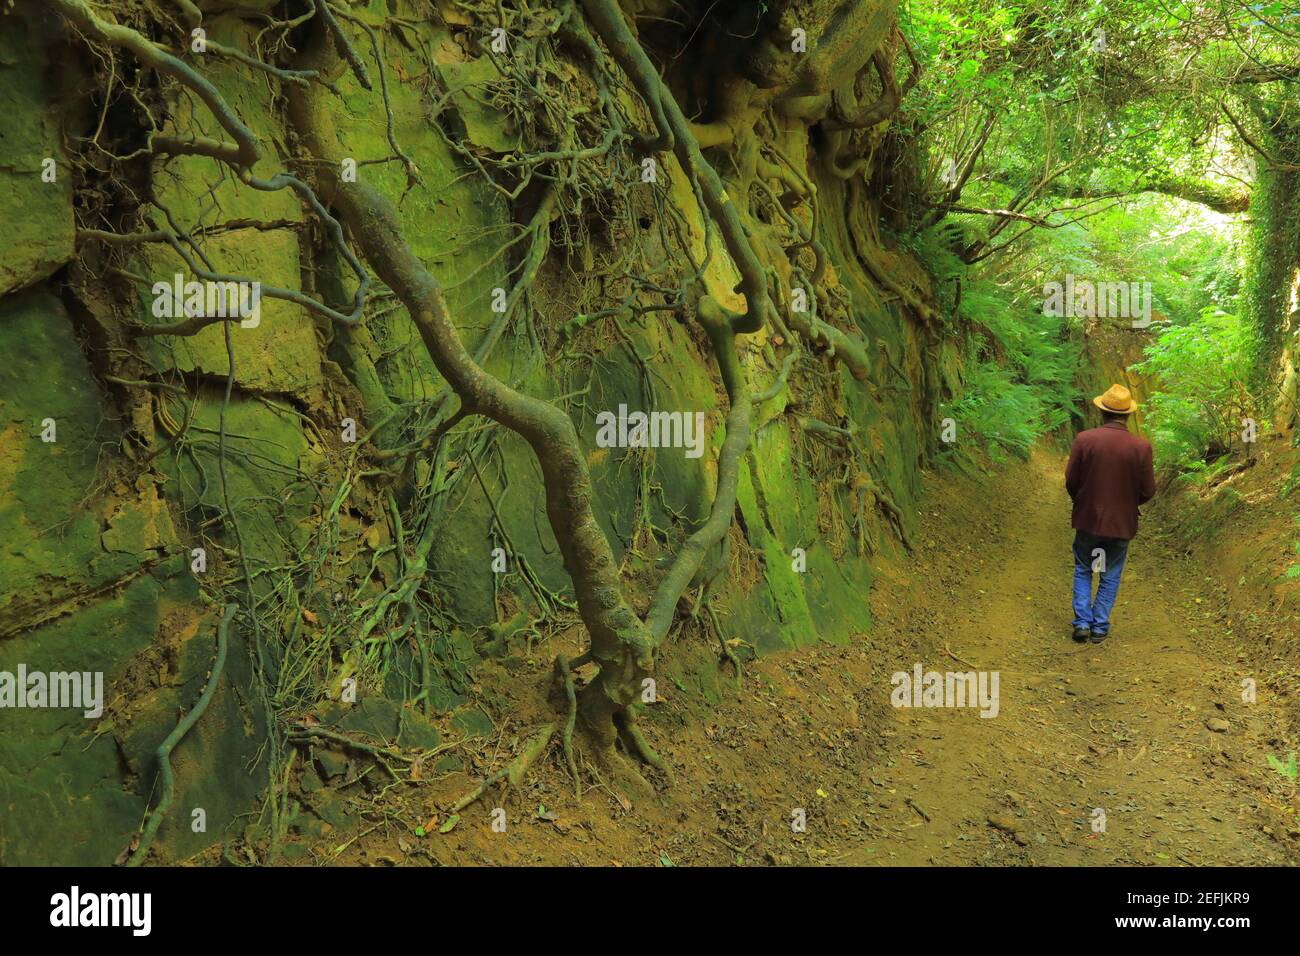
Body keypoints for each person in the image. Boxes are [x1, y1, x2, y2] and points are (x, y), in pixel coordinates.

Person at [1064, 384, 1156, 644]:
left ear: (1101, 412)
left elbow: (1071, 480)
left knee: (1084, 568)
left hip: (1088, 519)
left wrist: (1082, 501)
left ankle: (1082, 623)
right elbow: (1148, 490)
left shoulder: (1084, 440)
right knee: (1110, 572)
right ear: (1128, 415)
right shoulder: (1141, 447)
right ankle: (1099, 626)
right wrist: (1127, 503)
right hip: (1121, 524)